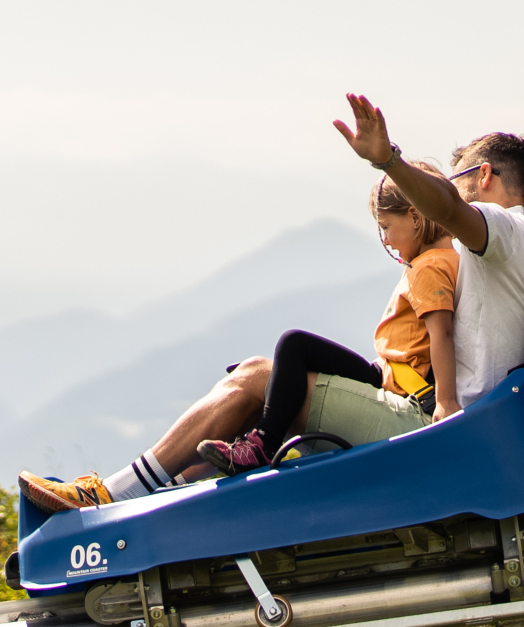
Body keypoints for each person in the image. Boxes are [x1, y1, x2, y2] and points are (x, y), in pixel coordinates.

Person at [18, 92, 524, 514]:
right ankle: (144, 494)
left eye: (456, 178)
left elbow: (444, 208)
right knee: (258, 374)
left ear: (485, 176)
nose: (446, 191)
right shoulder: (504, 245)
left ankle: (112, 497)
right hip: (447, 418)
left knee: (258, 381)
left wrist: (387, 161)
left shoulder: (504, 230)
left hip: (435, 426)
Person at [194, 168, 461, 476]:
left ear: (415, 217)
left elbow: (442, 333)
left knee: (294, 345)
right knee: (293, 353)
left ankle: (262, 446)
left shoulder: (429, 268)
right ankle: (269, 407)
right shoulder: (446, 261)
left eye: (386, 227)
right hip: (387, 372)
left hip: (398, 385)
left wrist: (446, 401)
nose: (386, 240)